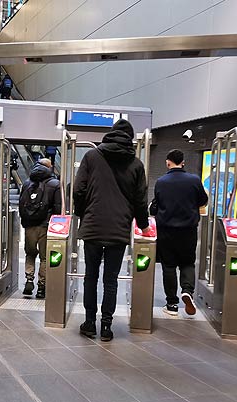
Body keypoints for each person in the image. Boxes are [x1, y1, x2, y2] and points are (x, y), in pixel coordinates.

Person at [73, 119, 150, 342]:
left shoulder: (91, 156)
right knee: (111, 280)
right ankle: (106, 326)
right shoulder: (136, 165)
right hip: (119, 228)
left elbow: (79, 190)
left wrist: (83, 213)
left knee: (91, 276)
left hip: (93, 226)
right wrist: (143, 226)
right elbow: (140, 202)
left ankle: (89, 322)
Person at [150, 149, 208, 317]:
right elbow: (203, 200)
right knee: (187, 263)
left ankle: (172, 304)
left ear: (168, 162)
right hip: (188, 230)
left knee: (168, 266)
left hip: (166, 231)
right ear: (183, 162)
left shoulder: (161, 182)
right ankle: (187, 291)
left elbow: (157, 204)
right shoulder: (194, 180)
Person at [19, 158, 62, 299]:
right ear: (50, 168)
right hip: (46, 226)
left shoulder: (27, 183)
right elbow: (58, 208)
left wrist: (25, 223)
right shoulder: (55, 184)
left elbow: (21, 204)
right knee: (45, 257)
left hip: (29, 226)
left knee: (30, 254)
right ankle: (41, 287)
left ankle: (29, 280)